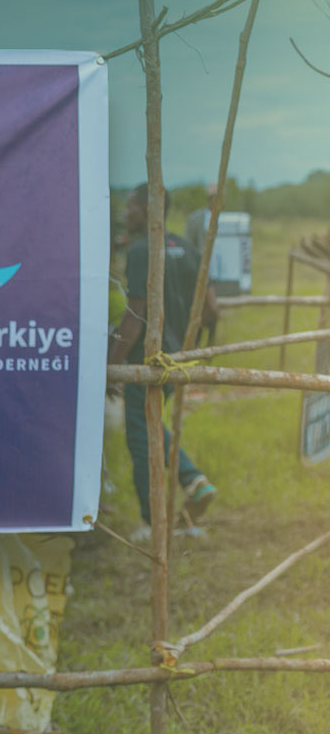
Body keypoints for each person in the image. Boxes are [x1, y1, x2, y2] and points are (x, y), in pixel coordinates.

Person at [107, 183, 218, 536]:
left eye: (131, 207)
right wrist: (191, 344)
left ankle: (154, 520)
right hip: (178, 357)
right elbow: (211, 309)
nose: (126, 214)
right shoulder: (188, 248)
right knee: (152, 425)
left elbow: (135, 313)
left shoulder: (142, 251)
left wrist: (113, 366)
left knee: (142, 437)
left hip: (148, 360)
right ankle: (192, 484)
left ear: (146, 210)